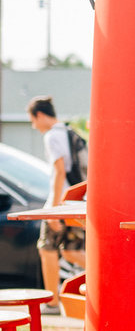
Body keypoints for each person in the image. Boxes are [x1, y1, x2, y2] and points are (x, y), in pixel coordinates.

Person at [27, 96, 87, 314]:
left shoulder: (52, 136)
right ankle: (109, 278)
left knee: (47, 247)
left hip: (61, 201)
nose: (34, 126)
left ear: (40, 115)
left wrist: (51, 210)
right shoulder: (70, 133)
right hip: (77, 200)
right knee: (72, 250)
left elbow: (59, 171)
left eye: (33, 120)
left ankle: (51, 302)